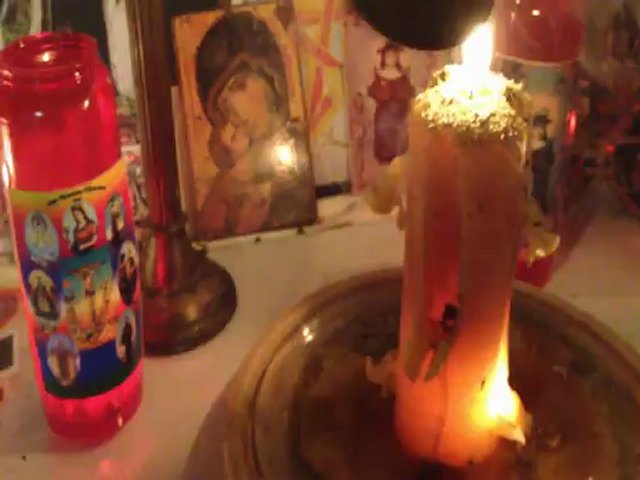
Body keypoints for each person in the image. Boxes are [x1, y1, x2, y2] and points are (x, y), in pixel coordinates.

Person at [368, 42, 415, 165]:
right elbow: (374, 92)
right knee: (382, 130)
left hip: (399, 114)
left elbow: (408, 92)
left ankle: (398, 158)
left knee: (398, 134)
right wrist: (383, 89)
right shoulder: (380, 74)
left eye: (393, 56)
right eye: (388, 56)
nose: (390, 59)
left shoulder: (402, 75)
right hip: (383, 114)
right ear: (384, 57)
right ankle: (384, 158)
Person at [531, 109, 555, 214]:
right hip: (537, 168)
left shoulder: (547, 142)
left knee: (543, 188)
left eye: (543, 126)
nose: (541, 129)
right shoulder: (534, 141)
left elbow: (551, 157)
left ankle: (542, 207)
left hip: (544, 169)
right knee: (537, 188)